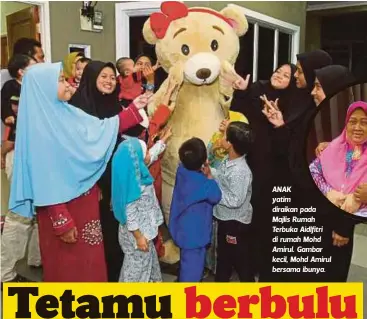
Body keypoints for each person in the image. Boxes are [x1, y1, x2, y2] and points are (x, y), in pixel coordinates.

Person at [9, 62, 147, 282]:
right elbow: (45, 179)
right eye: (61, 80)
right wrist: (61, 219)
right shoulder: (40, 129)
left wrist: (134, 109)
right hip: (65, 210)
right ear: (44, 87)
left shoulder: (66, 112)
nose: (68, 83)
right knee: (68, 267)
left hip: (85, 202)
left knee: (90, 263)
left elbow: (99, 131)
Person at [70, 60, 149, 282]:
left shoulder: (112, 103)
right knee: (99, 230)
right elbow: (82, 148)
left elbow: (127, 127)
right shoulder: (79, 107)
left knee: (116, 227)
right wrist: (93, 184)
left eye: (112, 77)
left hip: (114, 177)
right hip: (93, 179)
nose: (109, 81)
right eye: (103, 76)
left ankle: (116, 276)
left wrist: (139, 109)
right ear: (91, 77)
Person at [228, 63, 299, 279]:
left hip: (274, 174)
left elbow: (288, 147)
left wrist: (279, 122)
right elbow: (239, 115)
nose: (279, 75)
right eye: (278, 71)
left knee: (265, 223)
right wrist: (241, 92)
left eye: (286, 75)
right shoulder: (258, 91)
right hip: (249, 165)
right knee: (246, 219)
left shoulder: (295, 105)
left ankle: (263, 267)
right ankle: (245, 267)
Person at [1, 55, 40, 284]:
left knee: (36, 212)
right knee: (19, 214)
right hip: (17, 151)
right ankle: (4, 274)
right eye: (36, 63)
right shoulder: (10, 89)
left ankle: (36, 259)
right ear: (22, 71)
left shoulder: (36, 90)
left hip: (35, 154)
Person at [169, 138, 221, 282]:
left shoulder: (181, 171)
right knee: (192, 273)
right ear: (204, 161)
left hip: (182, 230)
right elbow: (216, 196)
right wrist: (210, 176)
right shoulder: (204, 184)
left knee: (186, 264)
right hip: (196, 237)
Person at [207, 121, 254, 282]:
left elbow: (235, 200)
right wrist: (210, 172)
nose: (222, 137)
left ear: (231, 144)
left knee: (241, 262)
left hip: (235, 224)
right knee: (224, 259)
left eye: (225, 136)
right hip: (225, 219)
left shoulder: (240, 172)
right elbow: (221, 177)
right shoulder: (228, 159)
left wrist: (213, 191)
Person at [112, 138, 163, 282]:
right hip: (138, 234)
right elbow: (131, 214)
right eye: (145, 152)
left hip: (135, 232)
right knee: (136, 270)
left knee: (145, 262)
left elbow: (150, 157)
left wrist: (162, 141)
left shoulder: (129, 174)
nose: (148, 155)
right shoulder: (135, 186)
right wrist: (139, 237)